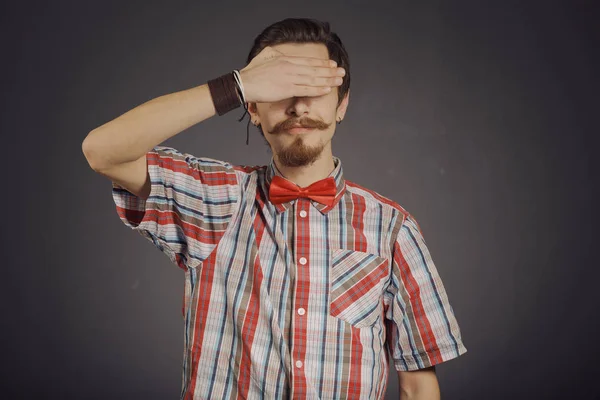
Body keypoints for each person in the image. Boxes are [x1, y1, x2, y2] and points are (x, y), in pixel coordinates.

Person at [82, 17, 467, 400]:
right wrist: (238, 84)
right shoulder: (211, 198)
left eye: (314, 88)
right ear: (253, 108)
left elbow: (418, 386)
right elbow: (103, 151)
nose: (299, 106)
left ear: (341, 105)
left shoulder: (393, 228)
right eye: (281, 88)